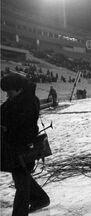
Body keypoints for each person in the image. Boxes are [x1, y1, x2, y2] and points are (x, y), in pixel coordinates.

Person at [1, 74, 50, 215]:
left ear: (19, 89)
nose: (8, 95)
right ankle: (41, 198)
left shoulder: (28, 102)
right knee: (20, 177)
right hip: (13, 148)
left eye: (9, 92)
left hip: (22, 148)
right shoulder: (17, 101)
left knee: (21, 183)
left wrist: (6, 127)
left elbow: (24, 126)